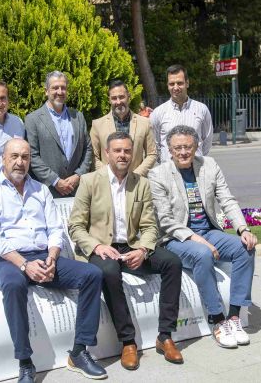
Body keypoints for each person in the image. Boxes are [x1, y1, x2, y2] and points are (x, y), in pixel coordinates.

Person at [0, 138, 107, 383]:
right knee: (14, 285)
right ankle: (25, 362)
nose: (20, 162)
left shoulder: (41, 190)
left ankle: (79, 352)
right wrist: (25, 266)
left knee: (92, 275)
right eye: (14, 156)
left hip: (43, 256)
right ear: (3, 160)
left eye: (25, 157)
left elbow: (55, 229)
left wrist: (51, 257)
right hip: (8, 261)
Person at [69, 131, 184, 370]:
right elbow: (75, 226)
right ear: (107, 153)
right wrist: (97, 246)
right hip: (100, 249)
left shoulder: (141, 183)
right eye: (118, 150)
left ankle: (165, 335)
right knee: (109, 271)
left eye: (127, 151)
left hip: (131, 247)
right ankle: (128, 342)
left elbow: (150, 226)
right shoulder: (90, 181)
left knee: (172, 262)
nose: (123, 155)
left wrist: (143, 249)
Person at [148, 125, 257, 349]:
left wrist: (243, 229)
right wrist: (196, 239)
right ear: (169, 149)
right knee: (203, 254)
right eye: (177, 148)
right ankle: (217, 320)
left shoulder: (209, 165)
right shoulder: (158, 174)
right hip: (176, 238)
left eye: (187, 147)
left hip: (209, 231)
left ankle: (234, 316)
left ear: (196, 146)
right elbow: (165, 220)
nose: (183, 152)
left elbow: (226, 199)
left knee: (244, 248)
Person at [24, 71, 92, 198]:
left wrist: (78, 175)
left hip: (77, 189)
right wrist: (55, 181)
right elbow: (32, 155)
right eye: (55, 88)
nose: (60, 92)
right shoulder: (32, 119)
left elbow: (87, 148)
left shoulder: (78, 116)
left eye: (63, 88)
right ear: (46, 91)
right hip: (47, 191)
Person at [90, 80, 157, 177]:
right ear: (109, 100)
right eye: (114, 98)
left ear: (128, 97)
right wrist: (108, 176)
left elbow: (152, 154)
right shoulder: (97, 125)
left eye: (121, 97)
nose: (118, 102)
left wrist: (135, 176)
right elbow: (93, 157)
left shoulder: (144, 123)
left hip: (135, 182)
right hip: (107, 183)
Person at [150, 65, 213, 163]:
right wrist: (165, 161)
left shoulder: (202, 109)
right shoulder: (158, 113)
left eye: (179, 83)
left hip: (196, 170)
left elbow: (207, 141)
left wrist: (195, 159)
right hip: (169, 171)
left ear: (187, 83)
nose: (175, 87)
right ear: (167, 85)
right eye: (172, 84)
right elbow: (155, 143)